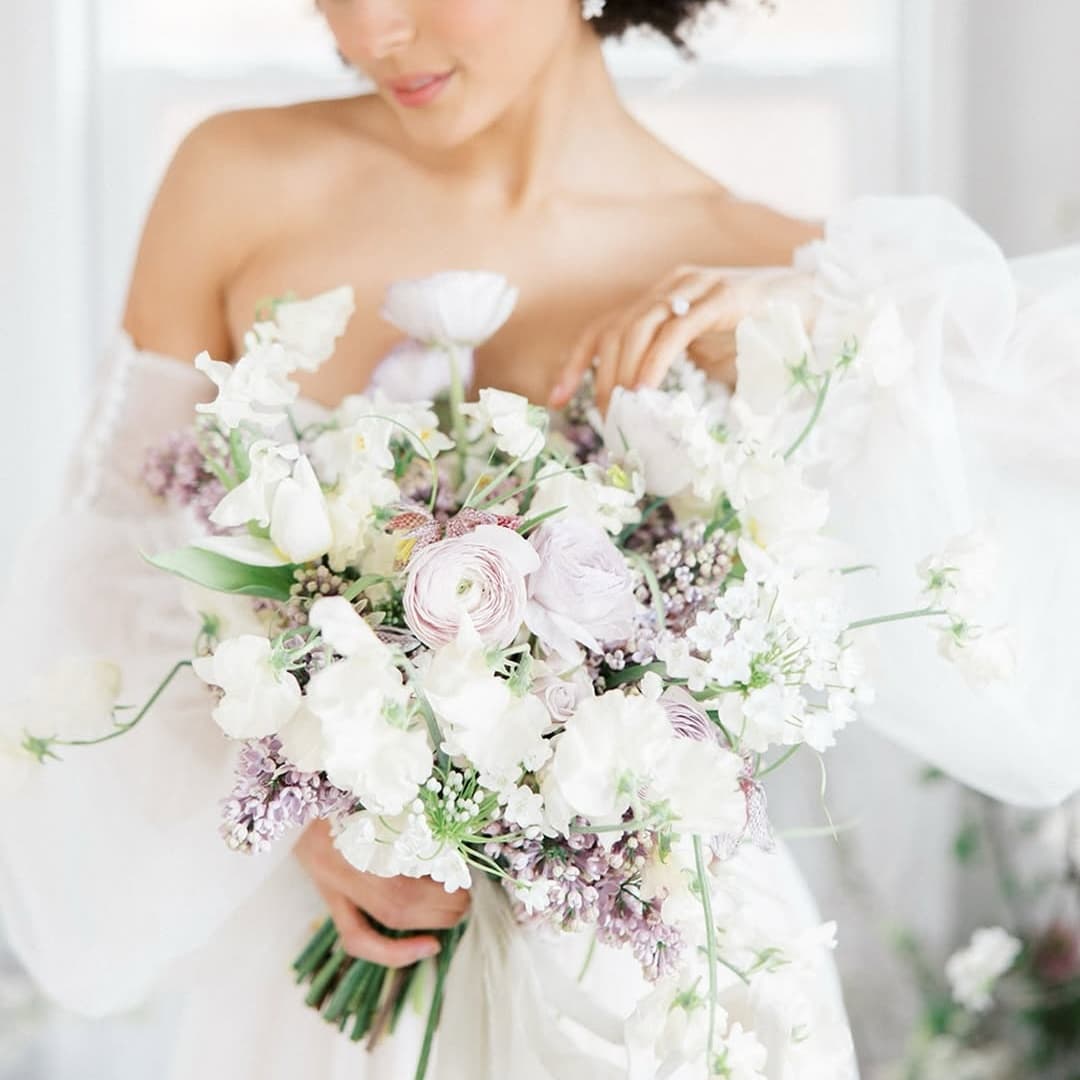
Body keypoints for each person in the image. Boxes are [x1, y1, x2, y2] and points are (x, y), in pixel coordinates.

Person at [2, 1, 1079, 1078]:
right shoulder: (235, 182)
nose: (372, 30)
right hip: (343, 992)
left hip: (670, 991)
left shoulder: (756, 269)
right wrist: (304, 819)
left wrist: (839, 320)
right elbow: (112, 585)